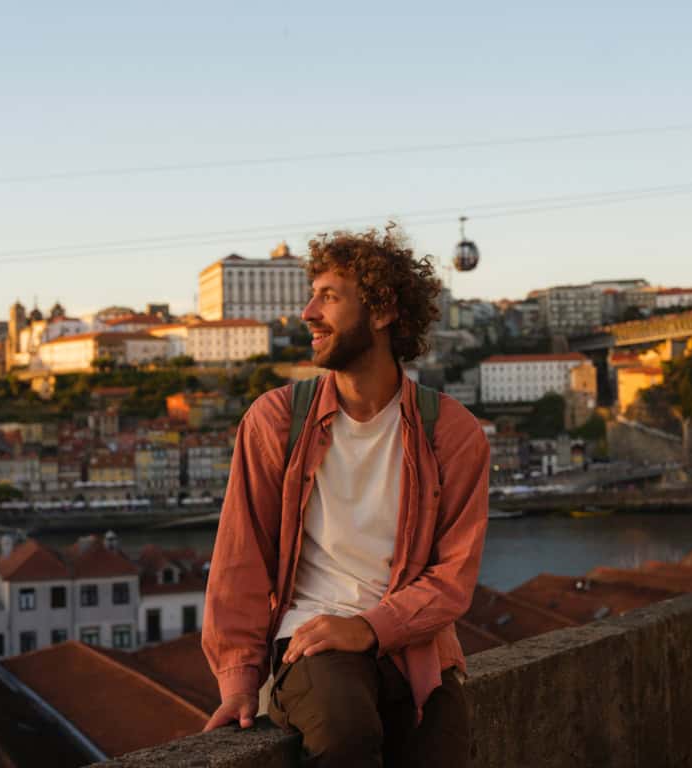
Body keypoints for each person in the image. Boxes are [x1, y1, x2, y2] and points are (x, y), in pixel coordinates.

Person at [201, 226, 490, 767]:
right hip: (311, 636)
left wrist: (367, 628)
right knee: (345, 735)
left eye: (329, 297)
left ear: (382, 311)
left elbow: (454, 578)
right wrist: (239, 680)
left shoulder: (451, 432)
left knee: (444, 745)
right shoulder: (276, 420)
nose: (308, 313)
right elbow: (241, 559)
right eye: (312, 296)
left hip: (415, 643)